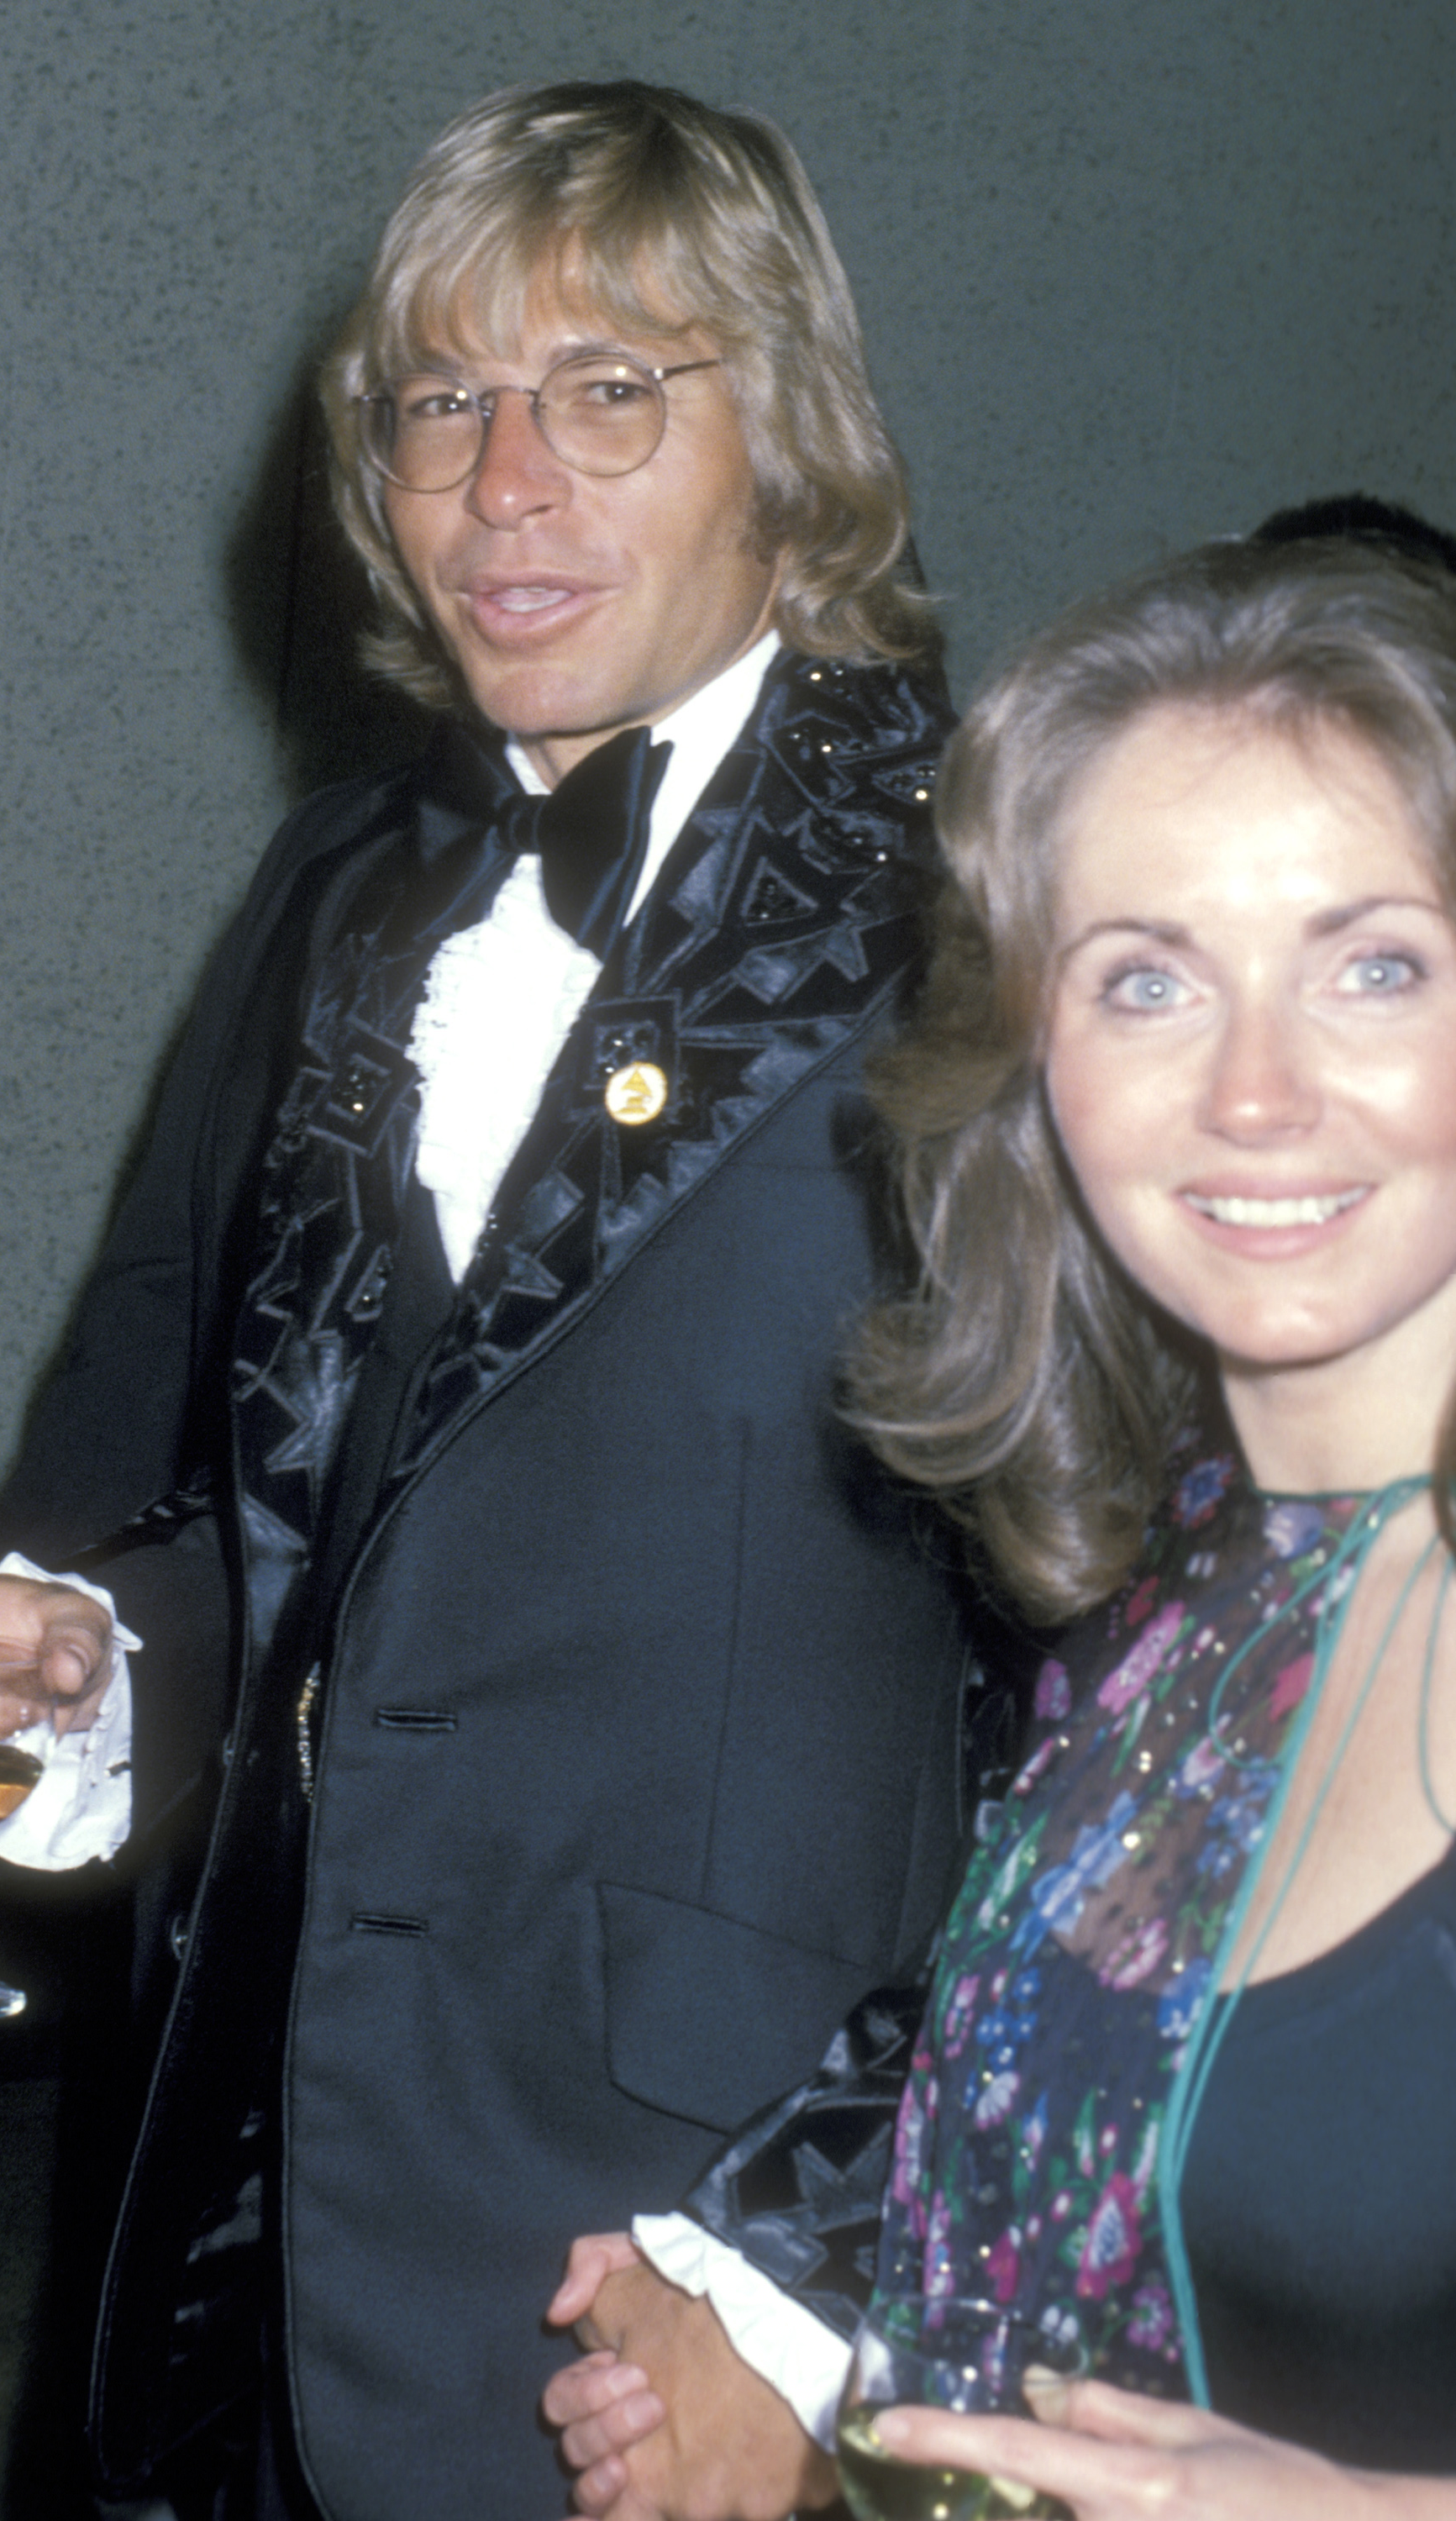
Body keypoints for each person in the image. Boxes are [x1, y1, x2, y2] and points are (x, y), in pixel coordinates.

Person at [0, 82, 979, 2521]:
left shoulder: (1002, 892)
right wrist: (63, 1686)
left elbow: (1146, 1697)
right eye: (441, 402)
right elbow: (252, 1473)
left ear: (788, 436)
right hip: (255, 2163)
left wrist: (804, 2263)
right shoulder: (343, 876)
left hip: (685, 2245)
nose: (502, 483)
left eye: (609, 391)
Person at [556, 530, 1456, 2514]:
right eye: (1144, 979)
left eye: (1370, 964)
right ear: (1034, 1068)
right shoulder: (1180, 1578)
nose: (1251, 1092)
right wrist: (781, 2341)